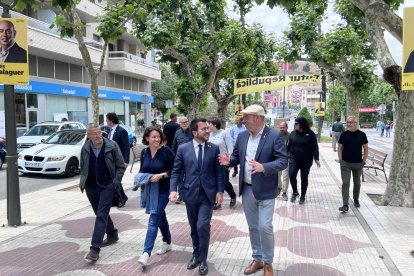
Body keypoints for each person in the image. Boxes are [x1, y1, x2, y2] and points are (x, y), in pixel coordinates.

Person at [218, 104, 288, 276]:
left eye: (246, 117)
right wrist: (230, 160)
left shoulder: (274, 135)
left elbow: (283, 161)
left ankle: (268, 262)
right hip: (247, 189)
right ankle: (257, 258)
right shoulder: (242, 136)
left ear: (257, 118)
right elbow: (236, 157)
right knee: (253, 227)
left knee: (265, 226)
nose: (243, 121)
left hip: (266, 189)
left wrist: (264, 167)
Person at [169, 118, 224, 276]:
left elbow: (219, 172)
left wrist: (219, 191)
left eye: (208, 128)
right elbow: (176, 171)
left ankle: (203, 259)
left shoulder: (213, 148)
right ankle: (195, 254)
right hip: (190, 194)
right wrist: (173, 190)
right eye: (204, 129)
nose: (207, 131)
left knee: (202, 225)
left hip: (207, 195)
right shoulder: (183, 149)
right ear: (194, 132)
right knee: (194, 226)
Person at [79, 123, 126, 263]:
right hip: (91, 187)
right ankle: (112, 234)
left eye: (99, 132)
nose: (98, 135)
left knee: (101, 215)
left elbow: (120, 166)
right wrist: (84, 184)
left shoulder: (112, 146)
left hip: (107, 186)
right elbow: (83, 167)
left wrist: (115, 183)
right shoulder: (85, 148)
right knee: (101, 213)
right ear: (88, 136)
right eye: (94, 133)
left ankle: (94, 249)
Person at [137, 126, 175, 267]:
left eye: (158, 137)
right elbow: (142, 170)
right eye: (153, 137)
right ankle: (167, 242)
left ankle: (146, 253)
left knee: (153, 219)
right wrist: (141, 178)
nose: (156, 139)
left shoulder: (166, 152)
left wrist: (161, 175)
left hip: (164, 190)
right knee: (160, 217)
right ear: (147, 138)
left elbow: (176, 169)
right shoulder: (144, 152)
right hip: (150, 191)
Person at [338, 116, 368, 212]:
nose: (349, 124)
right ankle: (345, 204)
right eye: (348, 122)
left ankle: (356, 199)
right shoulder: (344, 135)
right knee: (345, 183)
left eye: (351, 122)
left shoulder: (362, 135)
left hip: (358, 163)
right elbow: (340, 147)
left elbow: (366, 148)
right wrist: (341, 160)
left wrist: (364, 161)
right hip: (345, 163)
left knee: (357, 183)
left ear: (356, 123)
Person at [287, 117, 320, 204]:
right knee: (292, 174)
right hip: (294, 158)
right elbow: (288, 145)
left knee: (304, 178)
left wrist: (316, 158)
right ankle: (295, 192)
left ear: (301, 124)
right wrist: (283, 155)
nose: (295, 125)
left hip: (306, 160)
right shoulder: (293, 133)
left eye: (296, 123)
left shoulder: (310, 134)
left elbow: (315, 147)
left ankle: (302, 196)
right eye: (295, 123)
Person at [207, 118, 237, 209]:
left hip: (223, 162)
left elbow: (230, 148)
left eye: (210, 124)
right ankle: (217, 202)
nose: (208, 126)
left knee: (224, 183)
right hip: (212, 162)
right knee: (214, 182)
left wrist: (230, 163)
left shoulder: (224, 133)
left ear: (215, 124)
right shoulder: (210, 134)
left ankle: (233, 195)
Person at [106, 112, 129, 207]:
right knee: (114, 180)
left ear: (111, 120)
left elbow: (126, 146)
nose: (106, 121)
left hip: (119, 161)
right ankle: (120, 197)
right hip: (111, 161)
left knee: (116, 180)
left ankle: (122, 198)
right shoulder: (109, 130)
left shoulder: (121, 131)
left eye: (107, 119)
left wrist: (126, 161)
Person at [171, 116, 193, 204]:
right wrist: (173, 157)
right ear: (179, 123)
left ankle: (189, 195)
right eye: (183, 122)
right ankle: (181, 196)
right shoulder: (177, 133)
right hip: (180, 159)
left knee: (189, 177)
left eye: (186, 122)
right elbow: (174, 146)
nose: (185, 123)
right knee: (179, 178)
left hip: (190, 159)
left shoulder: (192, 132)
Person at [278, 121, 290, 201]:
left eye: (283, 127)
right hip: (278, 159)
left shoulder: (290, 136)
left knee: (286, 176)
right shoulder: (276, 136)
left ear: (286, 127)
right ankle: (279, 188)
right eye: (280, 128)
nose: (281, 129)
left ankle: (284, 192)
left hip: (287, 159)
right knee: (277, 176)